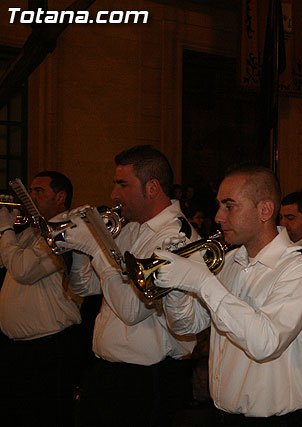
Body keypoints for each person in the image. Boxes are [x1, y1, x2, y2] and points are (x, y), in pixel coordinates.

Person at [153, 166, 302, 425]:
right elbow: (186, 326)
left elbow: (266, 343)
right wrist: (176, 286)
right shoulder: (228, 262)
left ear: (265, 211)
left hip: (278, 420)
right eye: (219, 206)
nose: (218, 217)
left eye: (230, 206)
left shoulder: (301, 269)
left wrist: (201, 281)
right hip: (222, 414)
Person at [58, 145, 197, 426]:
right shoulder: (132, 228)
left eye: (123, 184)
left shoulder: (176, 237)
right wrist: (78, 248)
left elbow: (133, 309)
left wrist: (97, 251)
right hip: (108, 370)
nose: (113, 195)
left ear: (152, 187)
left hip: (144, 379)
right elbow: (87, 287)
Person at [0, 171, 83, 426]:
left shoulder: (67, 229)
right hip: (20, 347)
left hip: (49, 346)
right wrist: (8, 231)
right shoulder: (31, 232)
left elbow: (25, 271)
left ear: (60, 197)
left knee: (48, 415)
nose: (31, 197)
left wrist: (5, 229)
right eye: (30, 191)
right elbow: (5, 261)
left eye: (39, 191)